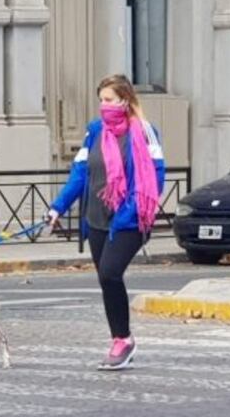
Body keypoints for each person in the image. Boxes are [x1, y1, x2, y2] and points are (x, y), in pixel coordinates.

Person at [45, 74, 165, 370]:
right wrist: (57, 207)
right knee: (106, 280)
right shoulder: (94, 131)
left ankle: (123, 339)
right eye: (101, 99)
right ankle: (121, 339)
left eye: (109, 99)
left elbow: (155, 178)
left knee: (110, 272)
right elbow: (80, 174)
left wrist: (128, 215)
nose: (104, 105)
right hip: (97, 217)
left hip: (129, 220)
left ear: (125, 100)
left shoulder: (145, 132)